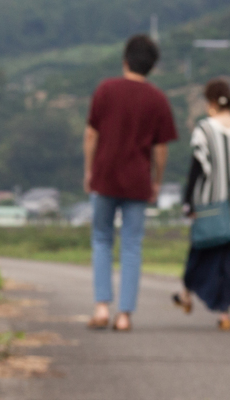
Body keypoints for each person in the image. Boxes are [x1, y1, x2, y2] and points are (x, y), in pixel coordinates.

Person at [84, 35, 178, 331]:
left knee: (101, 240)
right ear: (151, 66)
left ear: (124, 60)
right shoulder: (158, 99)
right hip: (138, 181)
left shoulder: (105, 90)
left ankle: (101, 307)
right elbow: (161, 149)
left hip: (104, 177)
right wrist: (157, 181)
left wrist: (89, 170)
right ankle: (124, 315)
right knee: (132, 246)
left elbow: (91, 135)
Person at [173, 79, 230, 330]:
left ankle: (186, 292)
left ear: (211, 102)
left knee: (203, 252)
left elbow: (197, 168)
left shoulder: (204, 129)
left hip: (211, 206)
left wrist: (187, 201)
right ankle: (224, 312)